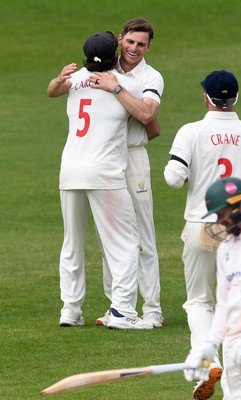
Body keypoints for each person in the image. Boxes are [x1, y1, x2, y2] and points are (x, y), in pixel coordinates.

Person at [164, 70, 241, 398]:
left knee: (199, 301)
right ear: (234, 99)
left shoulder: (190, 131)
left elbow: (173, 179)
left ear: (206, 97)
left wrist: (189, 174)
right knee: (236, 295)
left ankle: (207, 365)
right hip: (240, 228)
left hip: (200, 225)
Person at [47, 31, 154, 330]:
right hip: (105, 172)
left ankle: (70, 310)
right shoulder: (128, 85)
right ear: (115, 53)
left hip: (69, 171)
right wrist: (118, 88)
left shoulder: (74, 81)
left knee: (72, 243)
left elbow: (52, 90)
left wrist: (58, 80)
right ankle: (121, 311)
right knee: (123, 243)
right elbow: (147, 116)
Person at [88, 18, 164, 328]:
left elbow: (149, 117)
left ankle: (153, 310)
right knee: (111, 238)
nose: (134, 49)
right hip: (105, 159)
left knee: (143, 236)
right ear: (120, 39)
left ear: (149, 47)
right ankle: (118, 306)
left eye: (141, 44)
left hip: (132, 159)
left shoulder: (151, 76)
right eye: (130, 42)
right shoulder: (104, 65)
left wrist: (117, 89)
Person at [184, 177, 241, 400]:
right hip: (234, 350)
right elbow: (224, 305)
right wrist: (208, 346)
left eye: (223, 214)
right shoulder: (226, 249)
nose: (221, 222)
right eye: (217, 216)